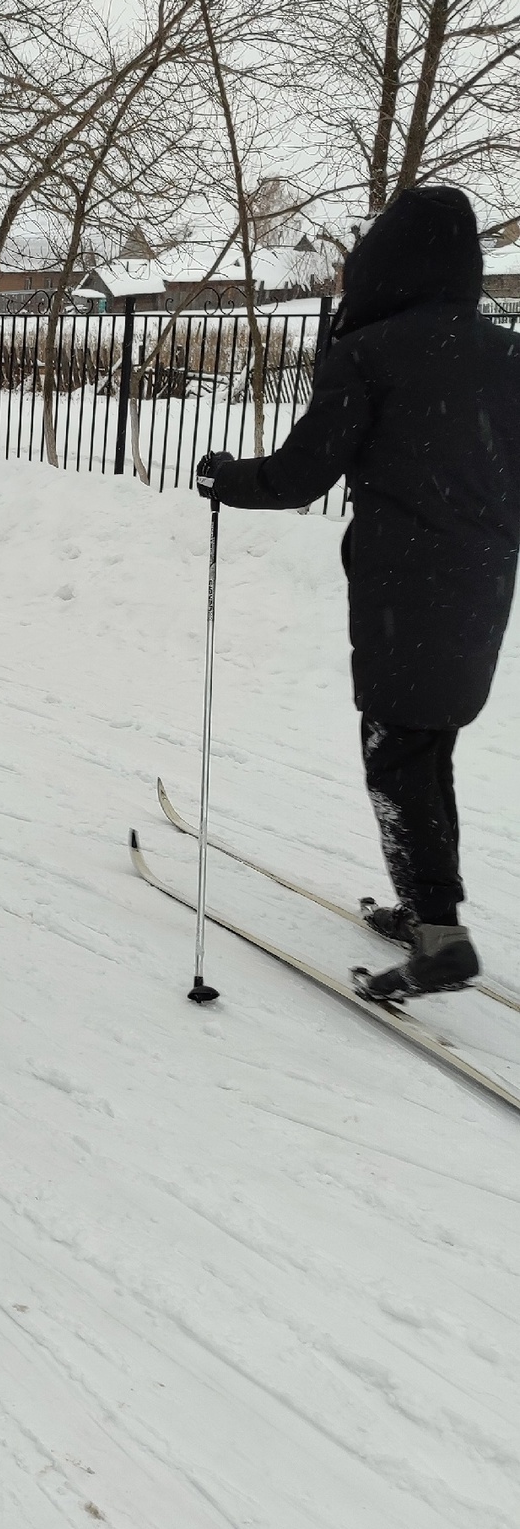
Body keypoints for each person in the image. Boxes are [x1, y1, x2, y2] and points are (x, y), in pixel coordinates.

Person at [197, 186, 520, 999]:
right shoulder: (507, 354)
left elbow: (302, 474)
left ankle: (441, 937)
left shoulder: (372, 352)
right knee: (426, 745)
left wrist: (225, 476)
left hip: (404, 589)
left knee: (396, 756)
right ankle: (430, 910)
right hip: (482, 583)